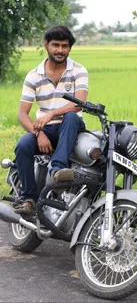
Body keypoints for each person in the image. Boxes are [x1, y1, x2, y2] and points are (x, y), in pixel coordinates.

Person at [14, 25, 88, 214]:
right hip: (44, 130)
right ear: (46, 45)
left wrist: (52, 113)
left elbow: (79, 103)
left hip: (70, 127)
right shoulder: (34, 75)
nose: (60, 50)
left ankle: (57, 171)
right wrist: (38, 133)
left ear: (69, 48)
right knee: (23, 145)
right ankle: (28, 198)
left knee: (71, 116)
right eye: (56, 45)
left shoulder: (78, 71)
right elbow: (22, 113)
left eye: (65, 46)